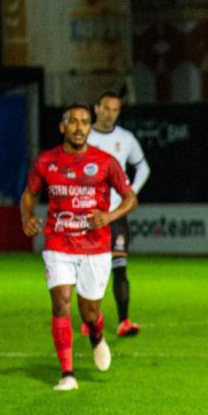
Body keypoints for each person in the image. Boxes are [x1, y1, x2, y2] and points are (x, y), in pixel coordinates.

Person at [20, 104, 138, 391]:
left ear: (89, 127)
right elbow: (29, 195)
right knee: (60, 303)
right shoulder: (46, 162)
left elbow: (130, 198)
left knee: (89, 313)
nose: (79, 127)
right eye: (73, 121)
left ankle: (96, 335)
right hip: (58, 243)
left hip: (95, 248)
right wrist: (27, 217)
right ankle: (68, 374)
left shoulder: (106, 162)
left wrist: (109, 216)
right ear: (63, 127)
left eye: (84, 122)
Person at [88, 91, 152, 336]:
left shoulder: (126, 139)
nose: (110, 113)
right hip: (89, 213)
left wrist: (131, 194)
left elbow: (143, 167)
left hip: (115, 214)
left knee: (119, 265)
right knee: (90, 270)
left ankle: (124, 321)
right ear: (97, 109)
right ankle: (91, 317)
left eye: (115, 110)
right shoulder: (85, 137)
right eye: (106, 108)